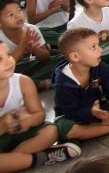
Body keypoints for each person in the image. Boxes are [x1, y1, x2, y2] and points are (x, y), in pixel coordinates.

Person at [0, 40, 81, 170]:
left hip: (18, 137)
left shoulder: (23, 81)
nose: (9, 61)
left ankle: (11, 162)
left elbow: (39, 114)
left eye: (8, 55)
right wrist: (2, 125)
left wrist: (29, 120)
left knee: (51, 131)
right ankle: (43, 157)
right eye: (0, 59)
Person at [52, 28, 109, 142]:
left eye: (98, 45)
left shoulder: (100, 67)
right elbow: (70, 112)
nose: (100, 50)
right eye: (93, 47)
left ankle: (86, 133)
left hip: (97, 111)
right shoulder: (62, 83)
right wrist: (90, 113)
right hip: (72, 117)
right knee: (67, 128)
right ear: (75, 57)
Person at [0, 0, 59, 89]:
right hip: (8, 71)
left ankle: (31, 83)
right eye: (10, 15)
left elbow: (45, 58)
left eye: (19, 11)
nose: (18, 16)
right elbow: (6, 66)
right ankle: (42, 84)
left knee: (62, 60)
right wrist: (23, 44)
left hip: (30, 65)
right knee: (6, 81)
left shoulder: (31, 29)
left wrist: (35, 48)